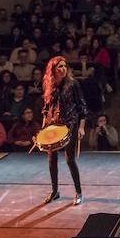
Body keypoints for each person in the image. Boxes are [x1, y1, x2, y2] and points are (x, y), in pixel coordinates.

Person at [41, 56, 88, 205]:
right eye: (59, 66)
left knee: (70, 159)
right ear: (53, 70)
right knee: (51, 159)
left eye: (64, 66)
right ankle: (54, 191)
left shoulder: (73, 84)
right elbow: (46, 108)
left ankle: (79, 192)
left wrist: (81, 127)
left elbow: (82, 107)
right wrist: (44, 127)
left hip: (70, 124)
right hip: (53, 125)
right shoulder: (49, 85)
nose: (63, 69)